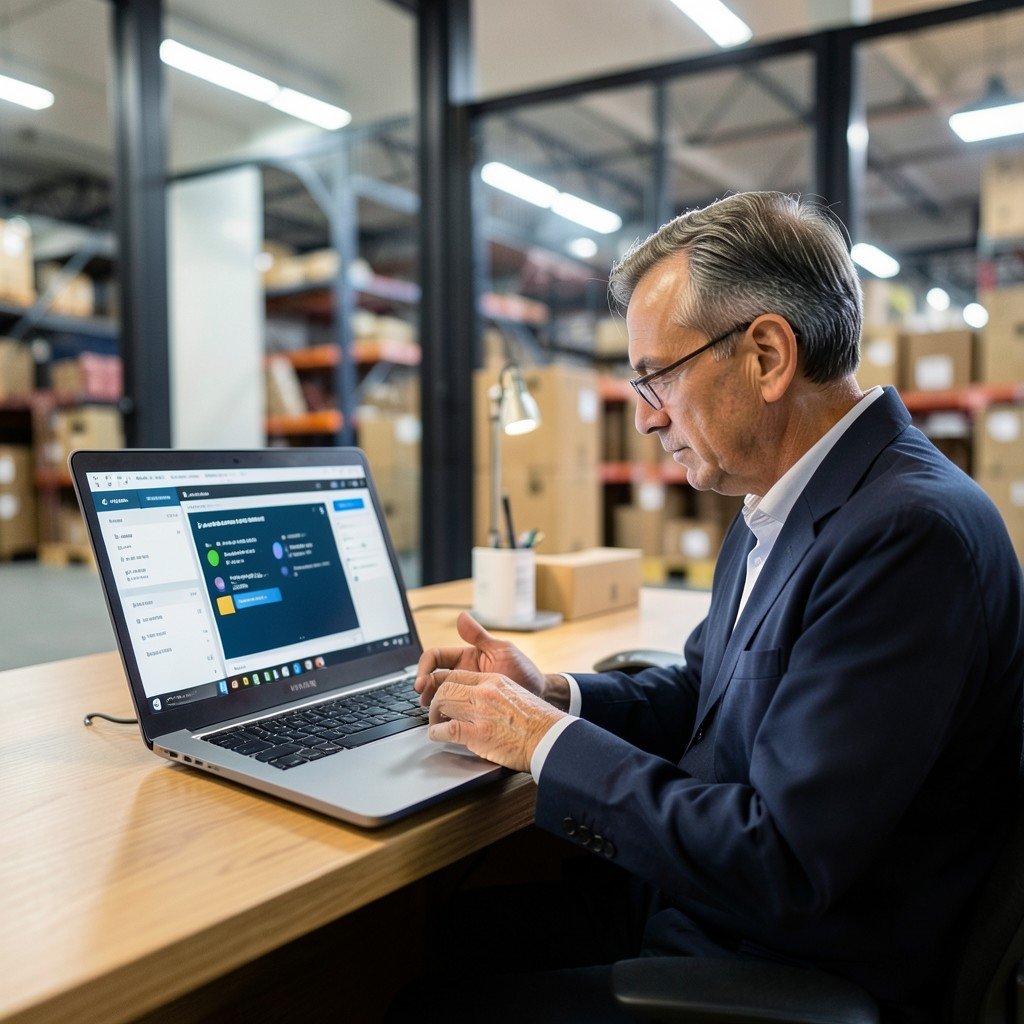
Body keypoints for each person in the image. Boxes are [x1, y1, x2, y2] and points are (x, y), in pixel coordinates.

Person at [413, 192, 1024, 1022]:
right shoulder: (781, 497)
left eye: (657, 376)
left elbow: (784, 861)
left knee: (421, 1004)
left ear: (768, 355)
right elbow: (707, 698)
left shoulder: (908, 536)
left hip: (780, 962)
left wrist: (543, 744)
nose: (646, 415)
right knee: (427, 938)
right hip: (704, 908)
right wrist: (555, 696)